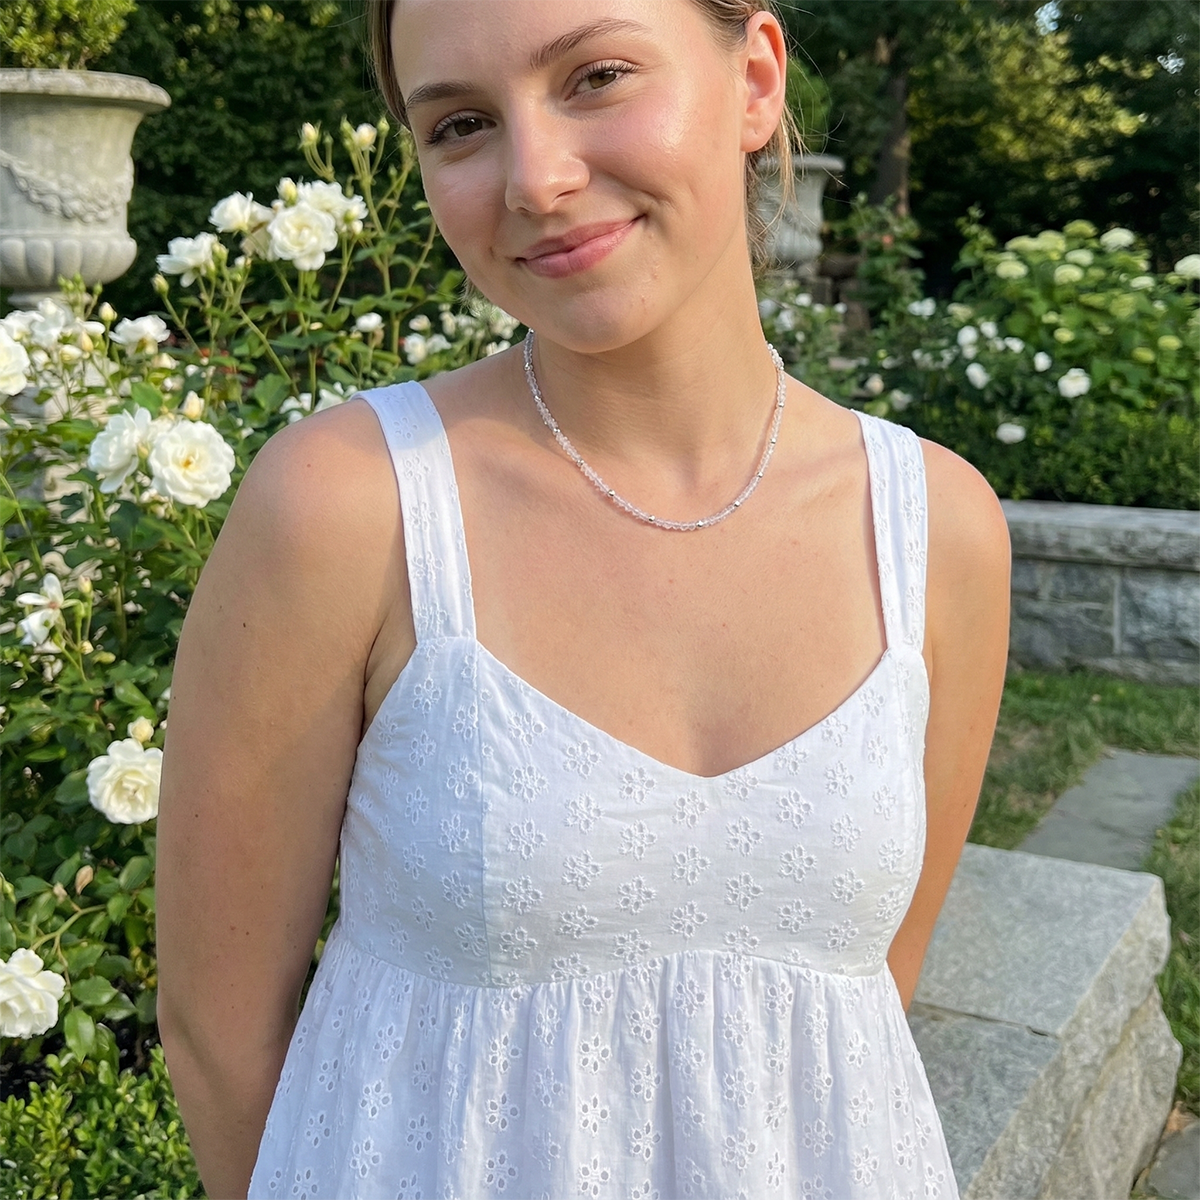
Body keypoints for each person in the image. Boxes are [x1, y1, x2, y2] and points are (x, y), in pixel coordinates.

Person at [155, 0, 1011, 1196]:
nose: (538, 178)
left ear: (755, 81)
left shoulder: (933, 528)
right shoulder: (350, 507)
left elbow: (859, 1007)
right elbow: (219, 1035)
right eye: (459, 124)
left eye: (598, 75)